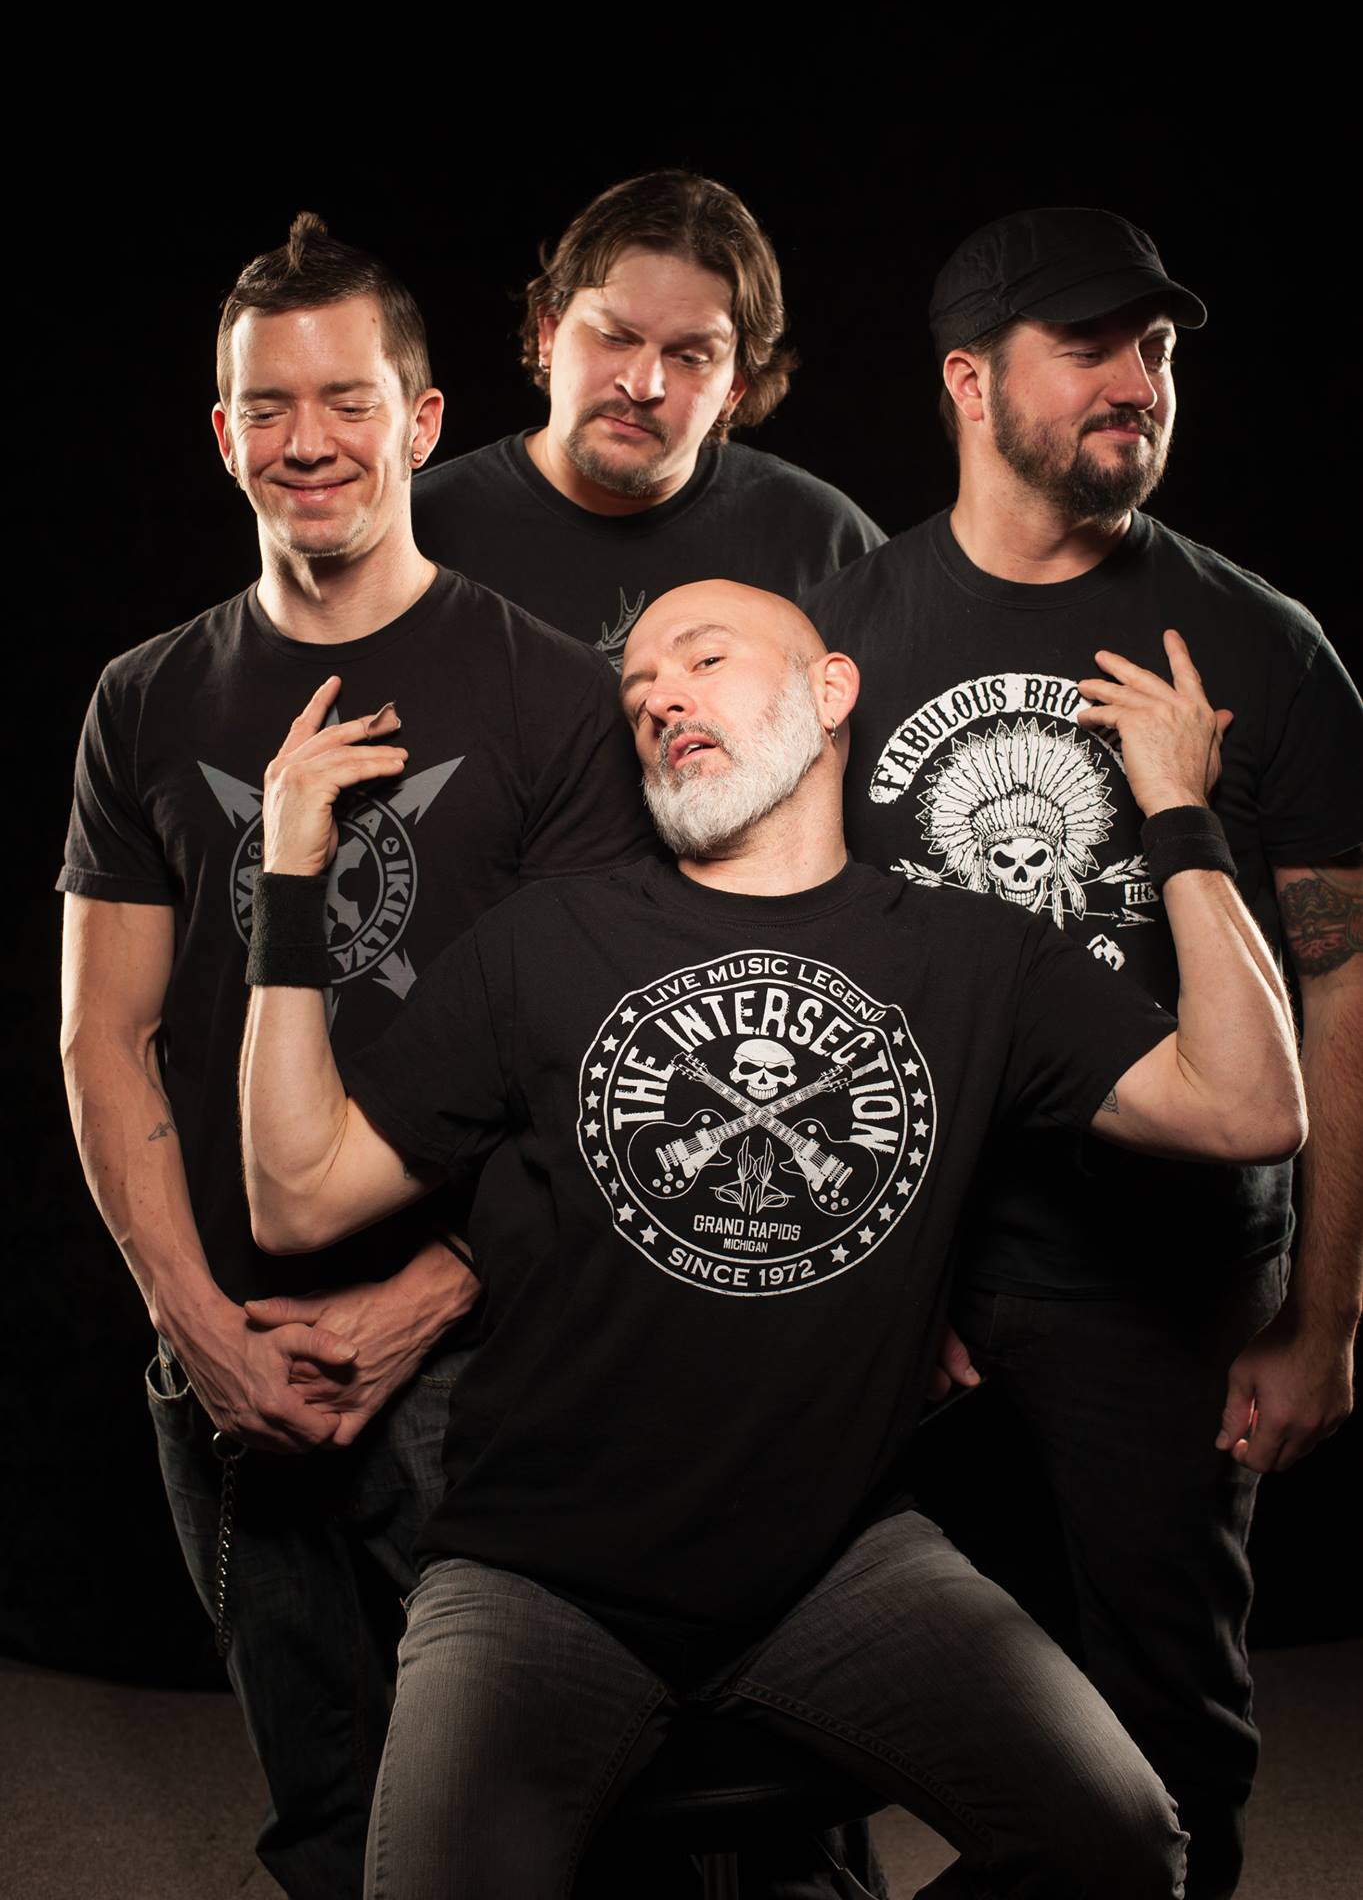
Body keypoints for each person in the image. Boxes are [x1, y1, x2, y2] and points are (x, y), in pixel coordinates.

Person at [239, 576, 1306, 1900]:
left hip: (839, 1563)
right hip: (536, 1576)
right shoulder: (545, 940)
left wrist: (1179, 813)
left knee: (1121, 1843)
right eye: (637, 687)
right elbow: (297, 1194)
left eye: (701, 658)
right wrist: (291, 870)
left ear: (830, 689)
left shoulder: (975, 956)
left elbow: (1249, 1106)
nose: (659, 697)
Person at [57, 213, 656, 1900]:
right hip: (228, 1348)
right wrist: (194, 1324)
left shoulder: (552, 697)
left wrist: (418, 1306)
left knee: (525, 1825)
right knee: (322, 1819)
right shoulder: (144, 698)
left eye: (346, 399)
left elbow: (599, 1075)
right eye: (267, 405)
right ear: (222, 431)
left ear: (422, 418)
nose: (306, 439)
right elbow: (101, 1036)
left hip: (480, 1358)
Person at [803, 206, 1363, 1899]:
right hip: (912, 1271)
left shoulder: (1259, 643)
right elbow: (804, 976)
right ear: (968, 381)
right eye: (1090, 346)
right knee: (815, 1687)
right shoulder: (840, 640)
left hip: (1165, 1279)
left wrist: (1324, 1313)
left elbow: (1338, 997)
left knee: (1166, 1731)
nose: (1138, 381)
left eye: (1158, 347)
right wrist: (873, 1266)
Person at [411, 169, 884, 663]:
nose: (642, 386)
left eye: (690, 357)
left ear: (735, 389)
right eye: (614, 338)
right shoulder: (415, 532)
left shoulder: (822, 540)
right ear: (548, 332)